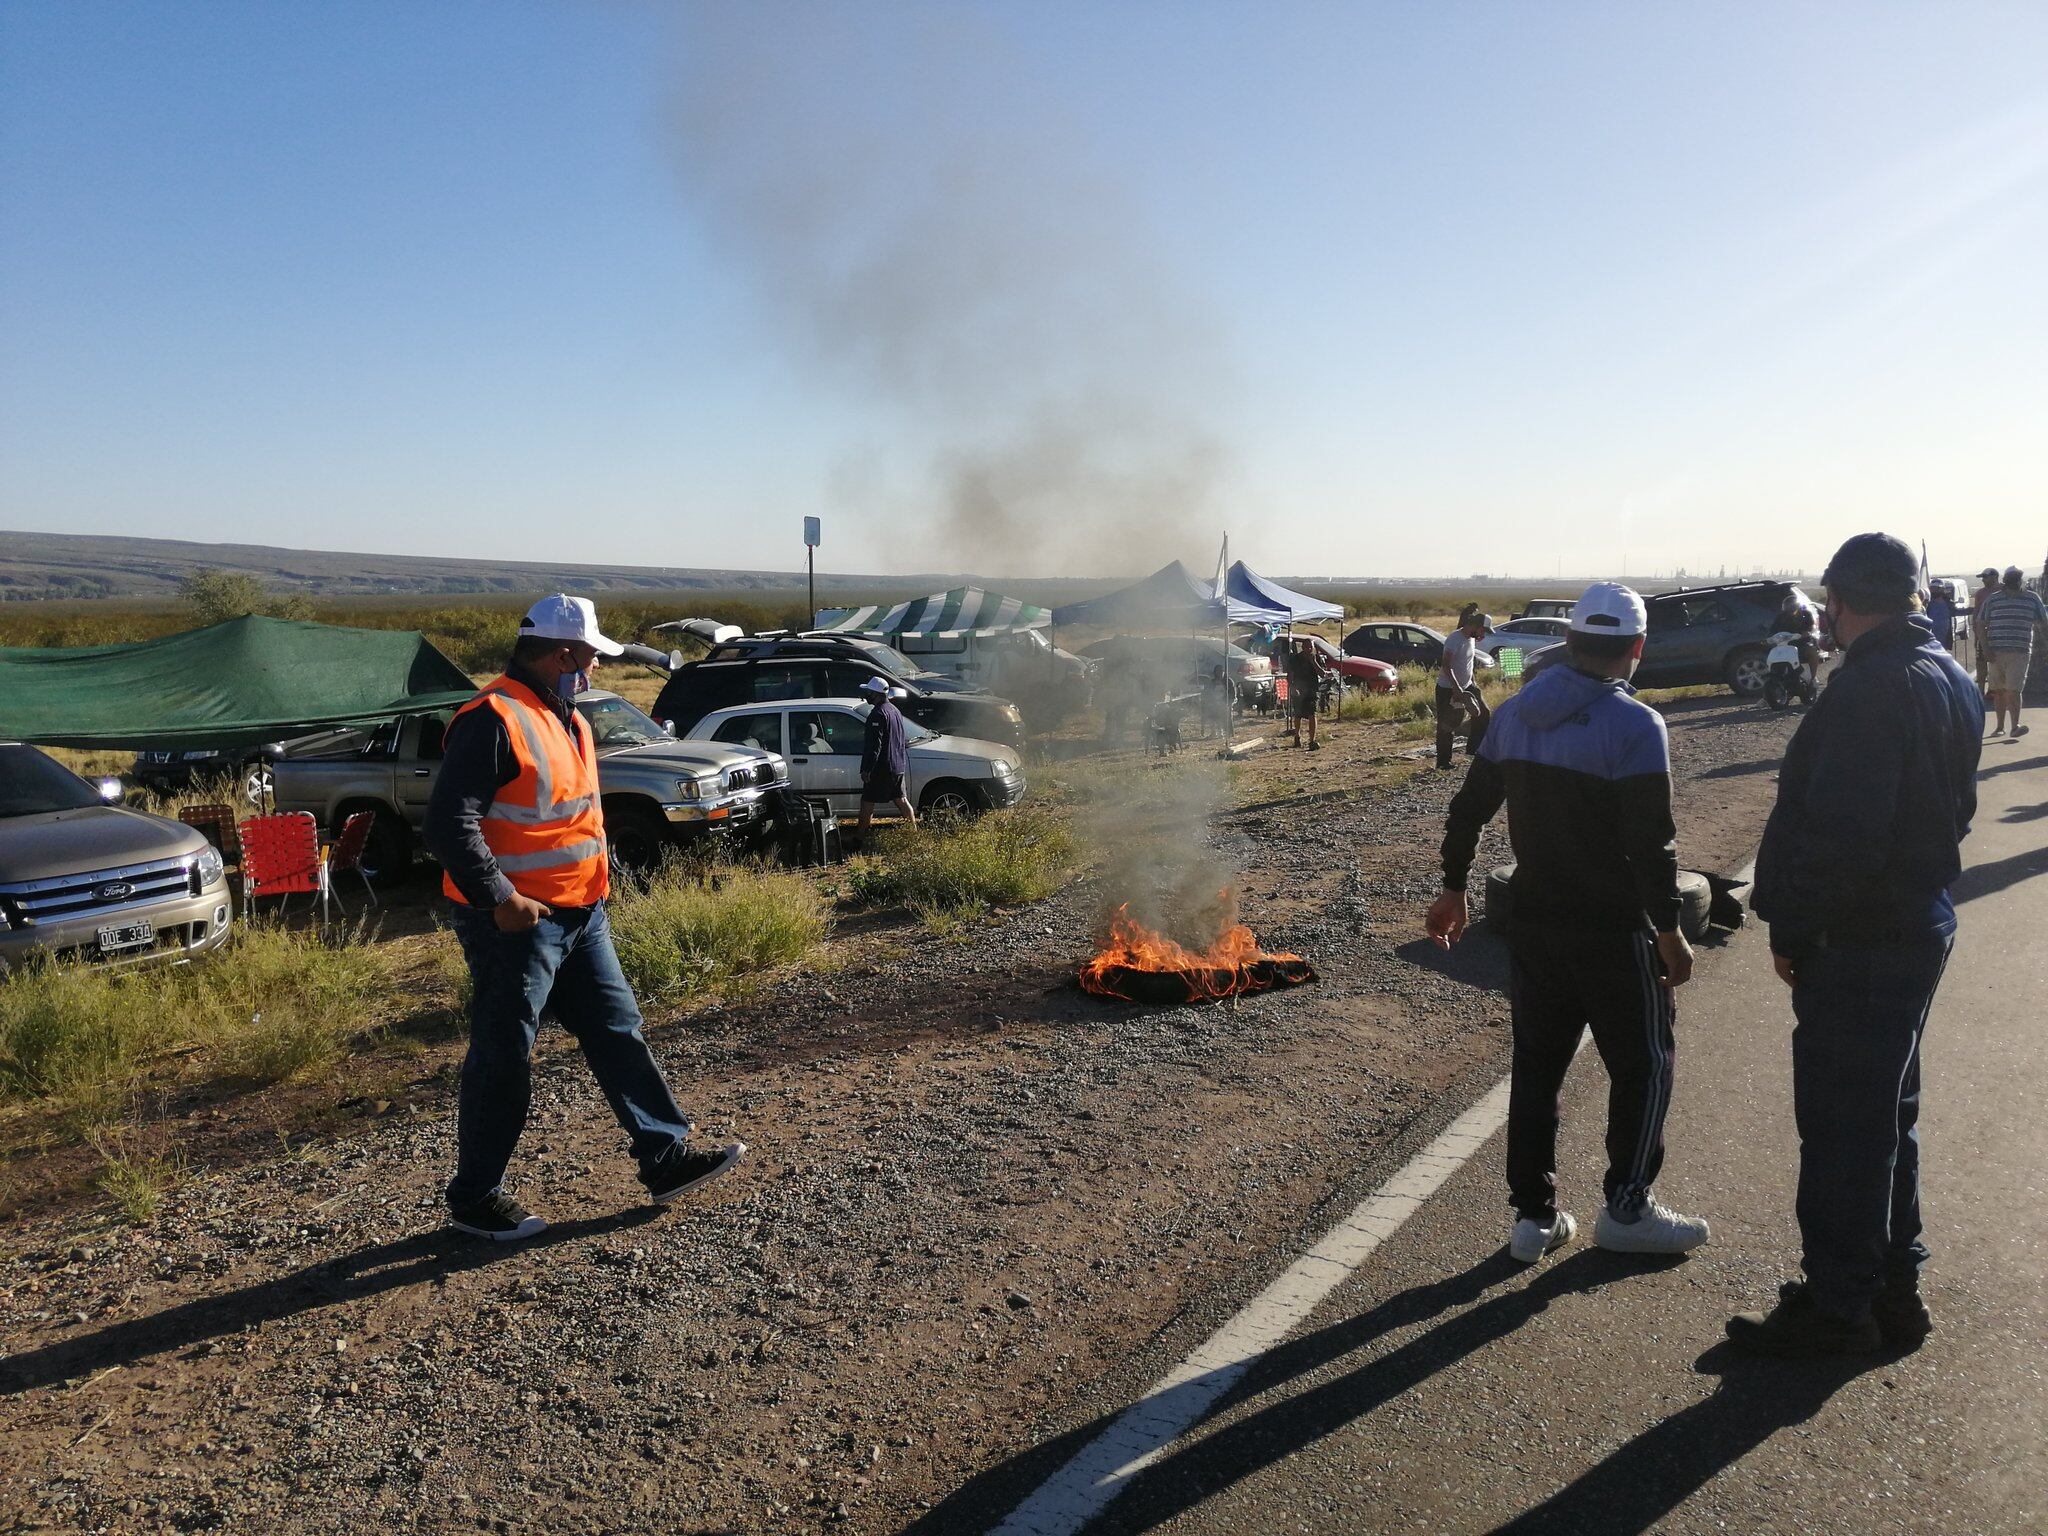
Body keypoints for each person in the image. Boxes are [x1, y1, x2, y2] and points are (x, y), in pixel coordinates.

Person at [424, 595, 745, 1241]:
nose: (596, 667)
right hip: (515, 923)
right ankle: (475, 1198)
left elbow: (571, 822)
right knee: (504, 1055)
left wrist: (600, 889)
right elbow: (447, 823)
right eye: (592, 656)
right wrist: (500, 897)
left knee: (618, 1031)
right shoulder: (494, 717)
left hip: (582, 915)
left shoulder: (567, 717)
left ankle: (666, 1157)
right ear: (564, 653)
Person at [1729, 534, 1982, 1354]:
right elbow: (1957, 811)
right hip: (1916, 920)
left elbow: (1842, 840)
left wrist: (1797, 930)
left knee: (1843, 1131)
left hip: (1863, 940)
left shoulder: (1870, 688)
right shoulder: (1947, 673)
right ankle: (1893, 1289)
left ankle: (1840, 1308)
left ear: (1838, 602)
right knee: (1885, 1121)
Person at [1428, 582, 1710, 1265]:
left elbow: (1469, 809)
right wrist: (1669, 933)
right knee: (1643, 1065)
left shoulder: (1516, 714)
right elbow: (1653, 847)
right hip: (1615, 931)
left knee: (1537, 1070)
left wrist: (1455, 886)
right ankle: (1628, 1208)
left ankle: (1533, 1219)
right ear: (1637, 648)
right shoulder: (1637, 725)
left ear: (1573, 640)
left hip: (1536, 926)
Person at [1976, 565, 2047, 738]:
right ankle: (2000, 727)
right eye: (2011, 579)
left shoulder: (2032, 599)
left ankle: (2015, 726)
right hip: (1995, 652)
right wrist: (1985, 648)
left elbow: (2043, 624)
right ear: (2005, 581)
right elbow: (1980, 623)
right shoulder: (1993, 599)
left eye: (2016, 578)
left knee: (2014, 690)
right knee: (1998, 691)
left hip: (2020, 651)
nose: (2014, 582)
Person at [854, 676, 917, 835]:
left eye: (869, 692)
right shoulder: (895, 710)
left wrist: (867, 769)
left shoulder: (878, 714)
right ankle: (914, 834)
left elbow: (875, 745)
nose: (866, 695)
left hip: (881, 768)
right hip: (897, 766)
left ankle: (859, 838)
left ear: (876, 694)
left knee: (867, 802)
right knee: (901, 800)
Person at [1435, 610, 1494, 769]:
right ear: (1475, 626)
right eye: (1483, 630)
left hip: (1467, 685)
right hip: (1448, 688)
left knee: (1483, 713)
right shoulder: (1455, 639)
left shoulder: (1471, 639)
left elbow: (1467, 664)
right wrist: (1457, 690)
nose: (1483, 634)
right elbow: (1446, 666)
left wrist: (1473, 684)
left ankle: (1474, 749)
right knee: (1448, 725)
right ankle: (1443, 763)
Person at [1285, 638, 1322, 749]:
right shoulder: (1295, 659)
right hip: (1298, 689)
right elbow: (1290, 674)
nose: (1308, 649)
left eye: (1310, 647)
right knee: (1298, 715)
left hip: (1312, 689)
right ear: (1302, 647)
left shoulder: (1316, 658)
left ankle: (1312, 741)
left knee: (1312, 714)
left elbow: (1322, 673)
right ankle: (1297, 737)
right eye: (1306, 647)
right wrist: (1292, 687)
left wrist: (1313, 662)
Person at [1970, 566, 2001, 693]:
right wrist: (1976, 635)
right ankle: (1980, 691)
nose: (1983, 580)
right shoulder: (1980, 593)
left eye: (1985, 577)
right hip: (1983, 634)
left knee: (1998, 663)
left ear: (1994, 577)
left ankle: (1995, 690)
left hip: (1999, 634)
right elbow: (1976, 614)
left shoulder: (2004, 590)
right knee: (1981, 663)